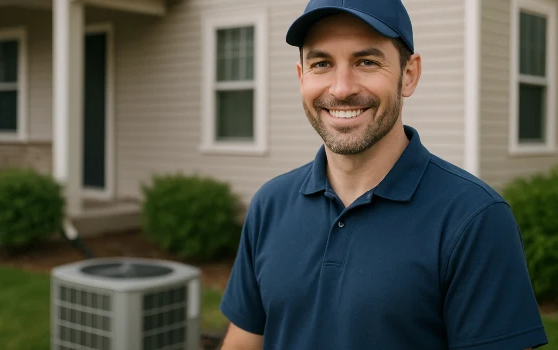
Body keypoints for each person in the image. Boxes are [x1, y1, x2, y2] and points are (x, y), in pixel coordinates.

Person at [218, 0, 549, 349]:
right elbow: (242, 342)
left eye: (366, 62)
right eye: (322, 64)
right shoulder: (270, 204)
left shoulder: (473, 218)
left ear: (409, 75)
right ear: (302, 77)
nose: (342, 88)